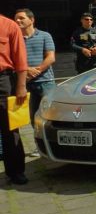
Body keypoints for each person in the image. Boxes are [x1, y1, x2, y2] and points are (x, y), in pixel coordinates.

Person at [14, 9, 55, 158]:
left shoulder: (45, 35)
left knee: (50, 116)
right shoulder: (15, 38)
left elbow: (50, 57)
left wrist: (35, 71)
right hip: (26, 85)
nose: (17, 21)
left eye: (21, 18)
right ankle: (39, 146)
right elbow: (13, 60)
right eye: (16, 19)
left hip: (46, 83)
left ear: (32, 20)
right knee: (32, 117)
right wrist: (26, 71)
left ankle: (53, 144)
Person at [0, 14, 28, 184]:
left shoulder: (9, 25)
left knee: (10, 129)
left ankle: (16, 171)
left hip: (3, 83)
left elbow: (20, 58)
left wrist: (21, 86)